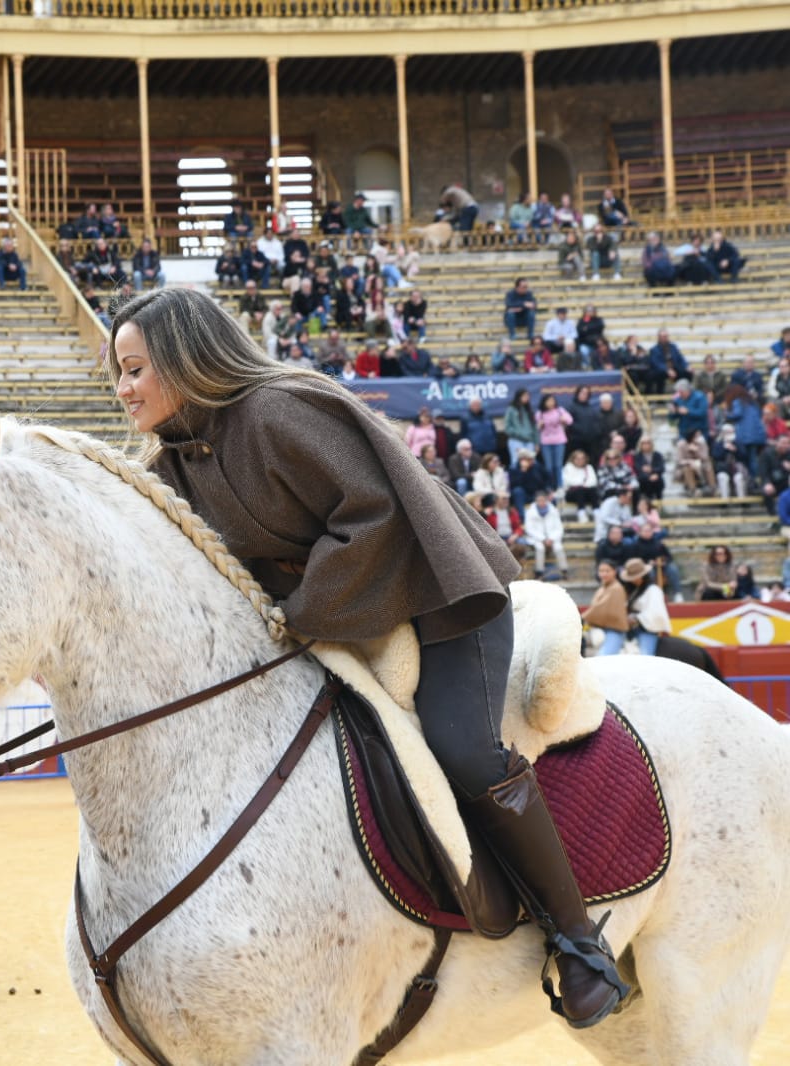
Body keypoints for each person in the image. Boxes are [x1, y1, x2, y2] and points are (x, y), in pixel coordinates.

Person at [107, 287, 627, 1028]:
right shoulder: (172, 461)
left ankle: (578, 944)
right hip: (342, 621)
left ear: (186, 360)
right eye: (117, 374)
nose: (123, 389)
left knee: (464, 748)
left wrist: (293, 616)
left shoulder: (278, 410)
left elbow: (373, 516)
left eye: (134, 370)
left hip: (434, 595)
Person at [620, 559, 671, 654]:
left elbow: (655, 613)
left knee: (645, 656)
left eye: (636, 577)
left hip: (646, 630)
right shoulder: (633, 590)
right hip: (629, 630)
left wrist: (635, 618)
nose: (633, 580)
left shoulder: (653, 590)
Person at [585, 561, 631, 656]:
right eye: (601, 571)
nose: (604, 574)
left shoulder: (616, 588)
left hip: (615, 631)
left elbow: (600, 609)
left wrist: (584, 617)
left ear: (614, 572)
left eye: (607, 571)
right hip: (603, 630)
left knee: (604, 658)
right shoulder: (602, 588)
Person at [524, 491, 569, 579]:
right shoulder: (530, 512)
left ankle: (564, 571)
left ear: (546, 500)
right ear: (536, 501)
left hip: (552, 538)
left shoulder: (553, 510)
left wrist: (551, 538)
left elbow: (559, 528)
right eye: (539, 500)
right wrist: (543, 539)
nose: (541, 502)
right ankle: (539, 572)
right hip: (537, 539)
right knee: (540, 548)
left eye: (543, 500)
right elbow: (529, 529)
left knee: (558, 548)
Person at [535, 394, 574, 489]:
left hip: (559, 441)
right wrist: (539, 425)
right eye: (548, 401)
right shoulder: (540, 413)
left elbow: (570, 420)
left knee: (558, 465)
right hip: (546, 442)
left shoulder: (560, 410)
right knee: (549, 466)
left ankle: (560, 486)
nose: (551, 403)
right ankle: (550, 486)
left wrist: (563, 419)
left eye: (552, 401)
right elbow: (536, 429)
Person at [674, 428, 717, 497]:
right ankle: (693, 490)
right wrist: (689, 461)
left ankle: (713, 488)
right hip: (686, 467)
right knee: (687, 468)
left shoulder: (702, 444)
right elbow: (679, 460)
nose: (699, 437)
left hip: (700, 466)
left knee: (708, 465)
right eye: (697, 435)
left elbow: (705, 457)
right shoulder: (681, 444)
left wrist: (697, 451)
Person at [561, 449, 600, 521]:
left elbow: (593, 481)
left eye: (582, 458)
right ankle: (581, 513)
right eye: (578, 458)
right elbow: (568, 482)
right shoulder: (568, 467)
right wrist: (582, 484)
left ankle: (597, 512)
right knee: (580, 490)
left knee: (593, 491)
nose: (580, 460)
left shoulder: (589, 467)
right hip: (572, 494)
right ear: (573, 459)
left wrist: (581, 484)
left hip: (587, 492)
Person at [503, 389, 537, 466]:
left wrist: (536, 442)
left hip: (529, 441)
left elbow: (534, 428)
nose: (527, 398)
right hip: (516, 441)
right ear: (519, 397)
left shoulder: (529, 410)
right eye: (525, 396)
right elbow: (507, 428)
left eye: (528, 396)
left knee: (531, 463)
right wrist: (519, 434)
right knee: (516, 462)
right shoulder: (511, 409)